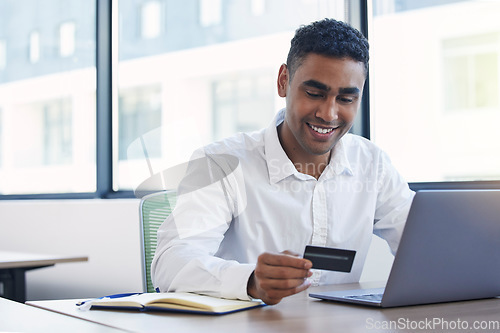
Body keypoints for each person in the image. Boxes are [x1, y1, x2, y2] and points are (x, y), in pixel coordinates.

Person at [151, 18, 414, 305]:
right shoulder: (220, 163)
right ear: (283, 81)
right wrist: (250, 280)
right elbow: (170, 263)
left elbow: (427, 242)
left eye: (346, 99)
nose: (329, 113)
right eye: (314, 93)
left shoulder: (373, 164)